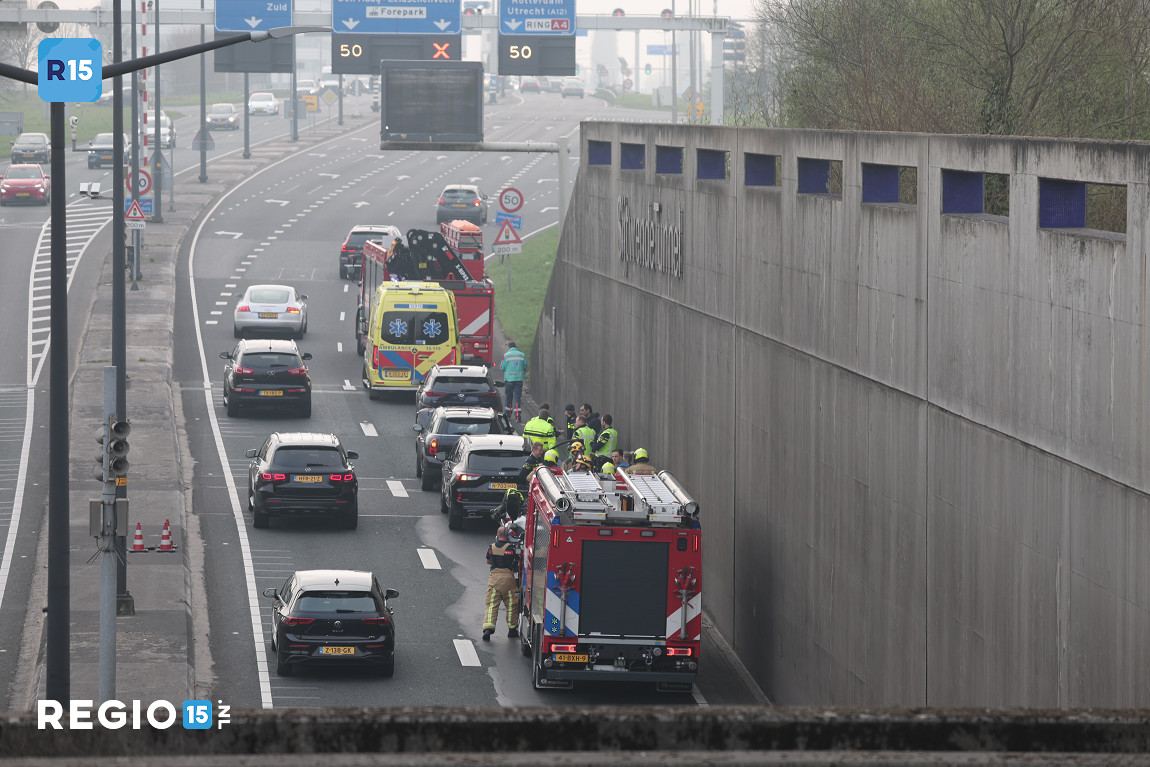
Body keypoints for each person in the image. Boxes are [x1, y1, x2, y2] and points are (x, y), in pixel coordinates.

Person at [482, 527, 520, 640]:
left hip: (494, 580)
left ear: (497, 535)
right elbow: (517, 561)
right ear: (508, 536)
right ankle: (512, 630)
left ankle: (488, 628)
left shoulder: (491, 547)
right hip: (509, 580)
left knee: (492, 605)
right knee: (512, 605)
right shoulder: (511, 548)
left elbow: (488, 561)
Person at [498, 342, 526, 422]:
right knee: (517, 398)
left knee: (508, 398)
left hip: (509, 380)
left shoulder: (506, 355)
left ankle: (508, 415)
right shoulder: (522, 355)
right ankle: (518, 416)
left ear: (509, 347)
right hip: (519, 379)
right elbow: (525, 366)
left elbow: (502, 367)